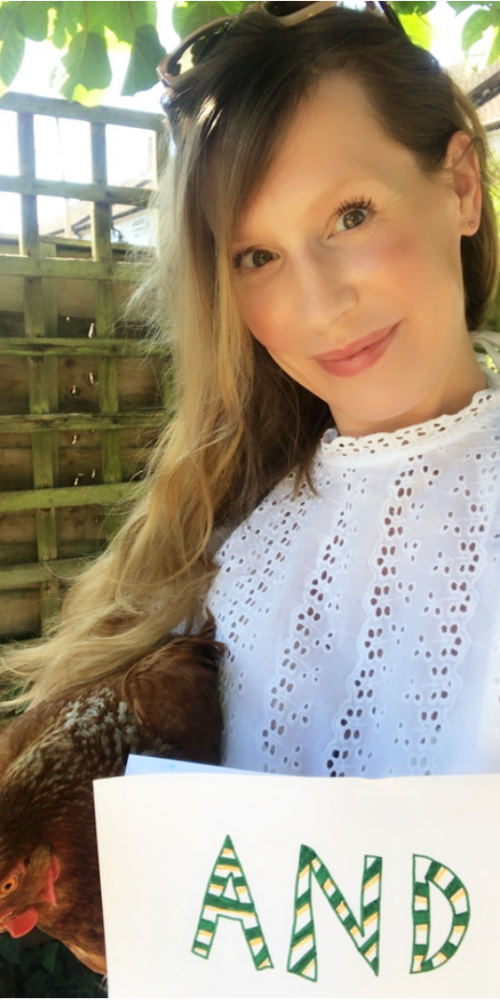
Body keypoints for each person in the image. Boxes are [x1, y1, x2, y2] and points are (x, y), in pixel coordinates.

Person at [2, 0, 500, 781]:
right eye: (257, 257)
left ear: (462, 187)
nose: (319, 306)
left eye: (352, 215)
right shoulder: (212, 552)